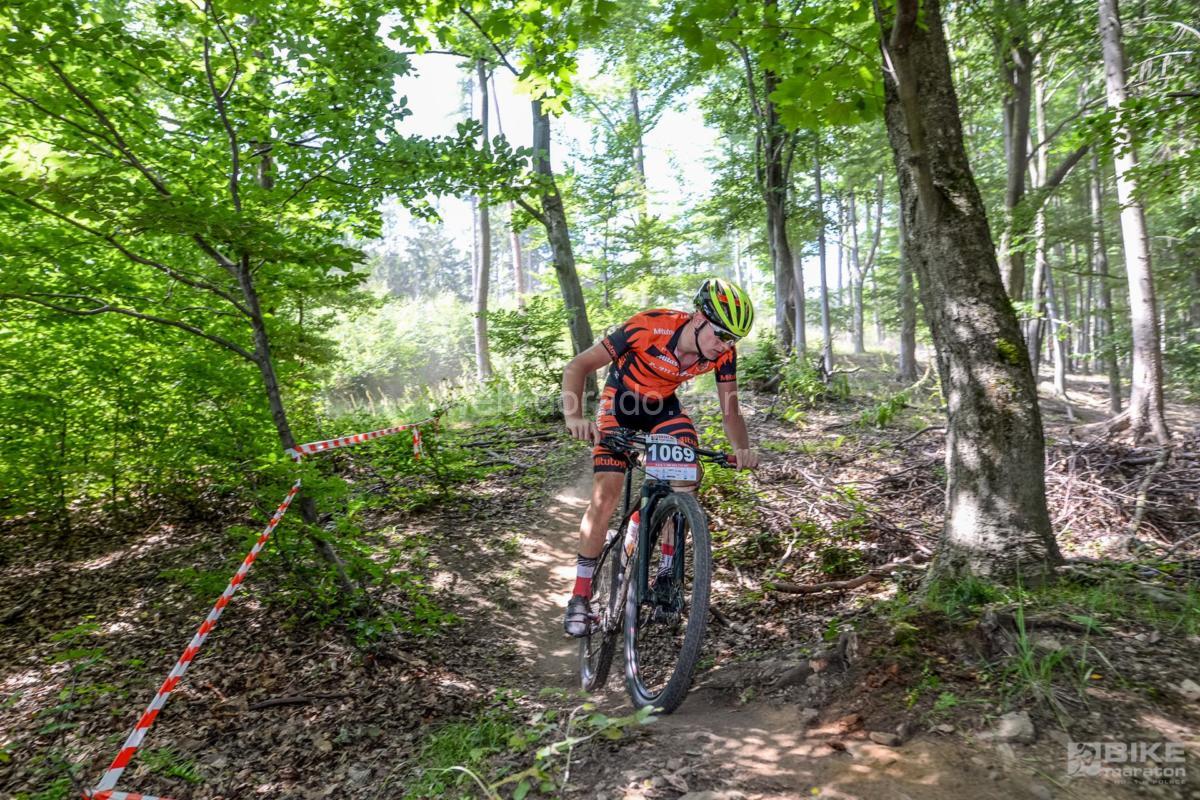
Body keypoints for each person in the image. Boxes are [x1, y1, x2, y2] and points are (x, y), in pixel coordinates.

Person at [559, 278, 760, 637]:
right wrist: (574, 417)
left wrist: (742, 449)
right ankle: (580, 596)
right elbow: (578, 366)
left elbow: (731, 410)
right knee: (607, 491)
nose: (725, 345)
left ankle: (667, 572)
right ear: (699, 318)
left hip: (663, 409)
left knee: (685, 478)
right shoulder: (649, 326)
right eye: (721, 334)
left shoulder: (723, 353)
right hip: (620, 404)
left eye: (733, 339)